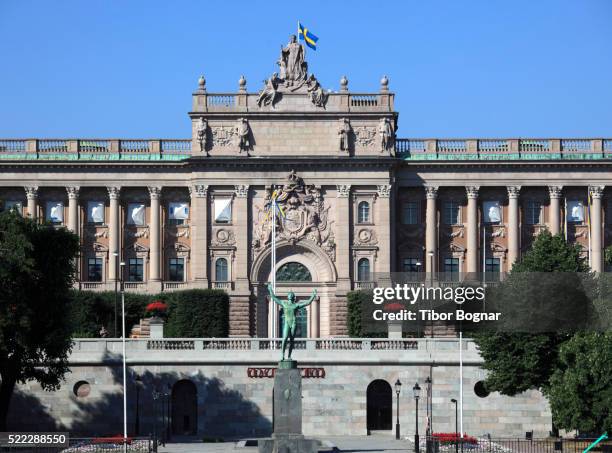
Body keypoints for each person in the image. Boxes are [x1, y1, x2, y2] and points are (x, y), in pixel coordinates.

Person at [267, 284, 317, 360]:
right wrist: (270, 289)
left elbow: (307, 303)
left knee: (291, 340)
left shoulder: (296, 305)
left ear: (293, 297)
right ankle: (282, 355)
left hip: (293, 323)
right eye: (289, 294)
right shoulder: (284, 303)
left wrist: (313, 296)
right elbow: (274, 298)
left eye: (291, 294)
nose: (290, 295)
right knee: (285, 338)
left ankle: (289, 356)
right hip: (287, 322)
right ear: (287, 297)